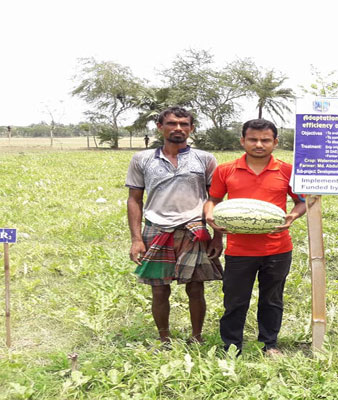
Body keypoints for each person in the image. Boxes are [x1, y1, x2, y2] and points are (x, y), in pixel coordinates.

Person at [204, 118, 306, 356]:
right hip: (239, 250)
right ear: (243, 141)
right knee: (235, 301)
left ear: (275, 142)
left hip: (278, 248)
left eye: (265, 140)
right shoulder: (226, 170)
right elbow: (214, 200)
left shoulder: (287, 170)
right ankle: (231, 346)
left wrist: (292, 216)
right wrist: (210, 216)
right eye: (253, 139)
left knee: (272, 300)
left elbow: (302, 201)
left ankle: (269, 344)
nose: (259, 144)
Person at [126, 106, 223, 345]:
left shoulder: (205, 159)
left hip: (194, 229)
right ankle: (164, 338)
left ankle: (197, 337)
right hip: (156, 229)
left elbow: (215, 198)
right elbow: (134, 199)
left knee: (196, 288)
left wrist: (218, 236)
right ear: (160, 127)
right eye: (171, 123)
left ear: (191, 129)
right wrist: (136, 239)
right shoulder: (143, 159)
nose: (178, 128)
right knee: (159, 290)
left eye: (183, 124)